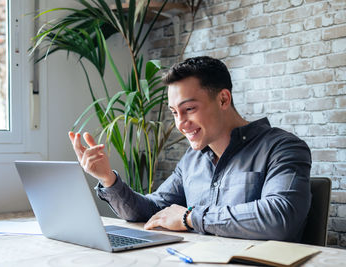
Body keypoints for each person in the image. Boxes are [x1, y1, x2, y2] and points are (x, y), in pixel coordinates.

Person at [68, 56, 312, 241]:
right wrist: (108, 179)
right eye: (175, 113)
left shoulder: (282, 148)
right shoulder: (192, 159)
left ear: (223, 99)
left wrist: (189, 218)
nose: (180, 124)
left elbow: (281, 217)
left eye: (189, 109)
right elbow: (151, 210)